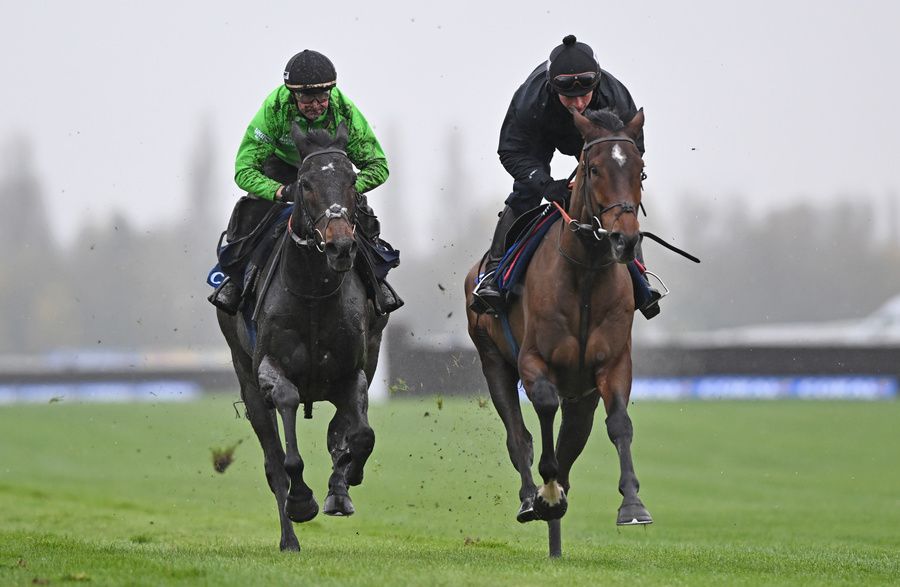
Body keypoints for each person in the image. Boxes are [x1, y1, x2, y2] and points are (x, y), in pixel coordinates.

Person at [470, 35, 663, 318]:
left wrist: (605, 178)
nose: (579, 103)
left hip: (597, 138)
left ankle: (640, 279)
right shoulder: (530, 100)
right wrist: (546, 184)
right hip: (541, 133)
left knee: (616, 195)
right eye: (569, 97)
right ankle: (494, 273)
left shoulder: (615, 97)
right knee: (526, 192)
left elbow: (631, 151)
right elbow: (511, 151)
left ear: (597, 84)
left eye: (585, 94)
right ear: (552, 87)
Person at [208, 49, 401, 315]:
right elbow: (244, 169)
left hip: (330, 176)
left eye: (323, 97)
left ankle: (377, 281)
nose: (316, 105)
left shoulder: (344, 110)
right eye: (308, 99)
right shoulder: (274, 110)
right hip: (281, 171)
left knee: (363, 217)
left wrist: (339, 190)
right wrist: (279, 191)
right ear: (293, 94)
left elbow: (378, 165)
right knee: (249, 214)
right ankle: (235, 280)